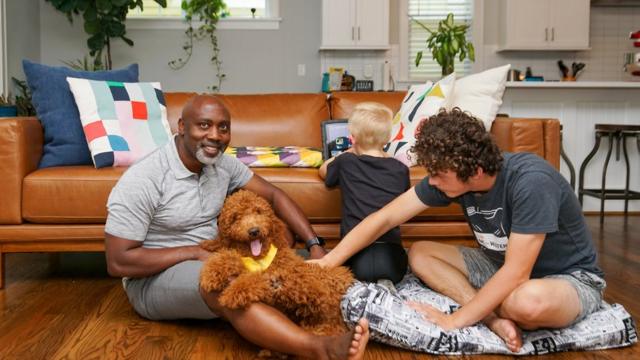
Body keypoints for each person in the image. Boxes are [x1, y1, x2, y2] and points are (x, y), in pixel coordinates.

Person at [311, 108, 605, 353]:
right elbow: (384, 219)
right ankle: (490, 318)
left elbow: (517, 273)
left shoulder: (531, 181)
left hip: (568, 277)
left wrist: (455, 321)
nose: (432, 181)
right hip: (497, 264)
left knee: (524, 303)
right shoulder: (452, 177)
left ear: (475, 172)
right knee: (421, 253)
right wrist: (328, 262)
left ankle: (487, 309)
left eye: (438, 174)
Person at [104, 94, 369, 360]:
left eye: (223, 127)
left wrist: (314, 245)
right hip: (154, 280)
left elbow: (274, 196)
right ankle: (321, 349)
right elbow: (118, 262)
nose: (216, 135)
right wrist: (194, 252)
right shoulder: (144, 178)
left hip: (222, 258)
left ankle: (375, 315)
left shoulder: (221, 163)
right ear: (182, 127)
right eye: (204, 125)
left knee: (297, 268)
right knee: (233, 284)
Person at [319, 102, 410, 285]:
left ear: (353, 138)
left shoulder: (346, 162)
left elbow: (323, 171)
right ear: (387, 139)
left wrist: (348, 152)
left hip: (354, 256)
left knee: (355, 278)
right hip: (393, 260)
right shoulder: (400, 169)